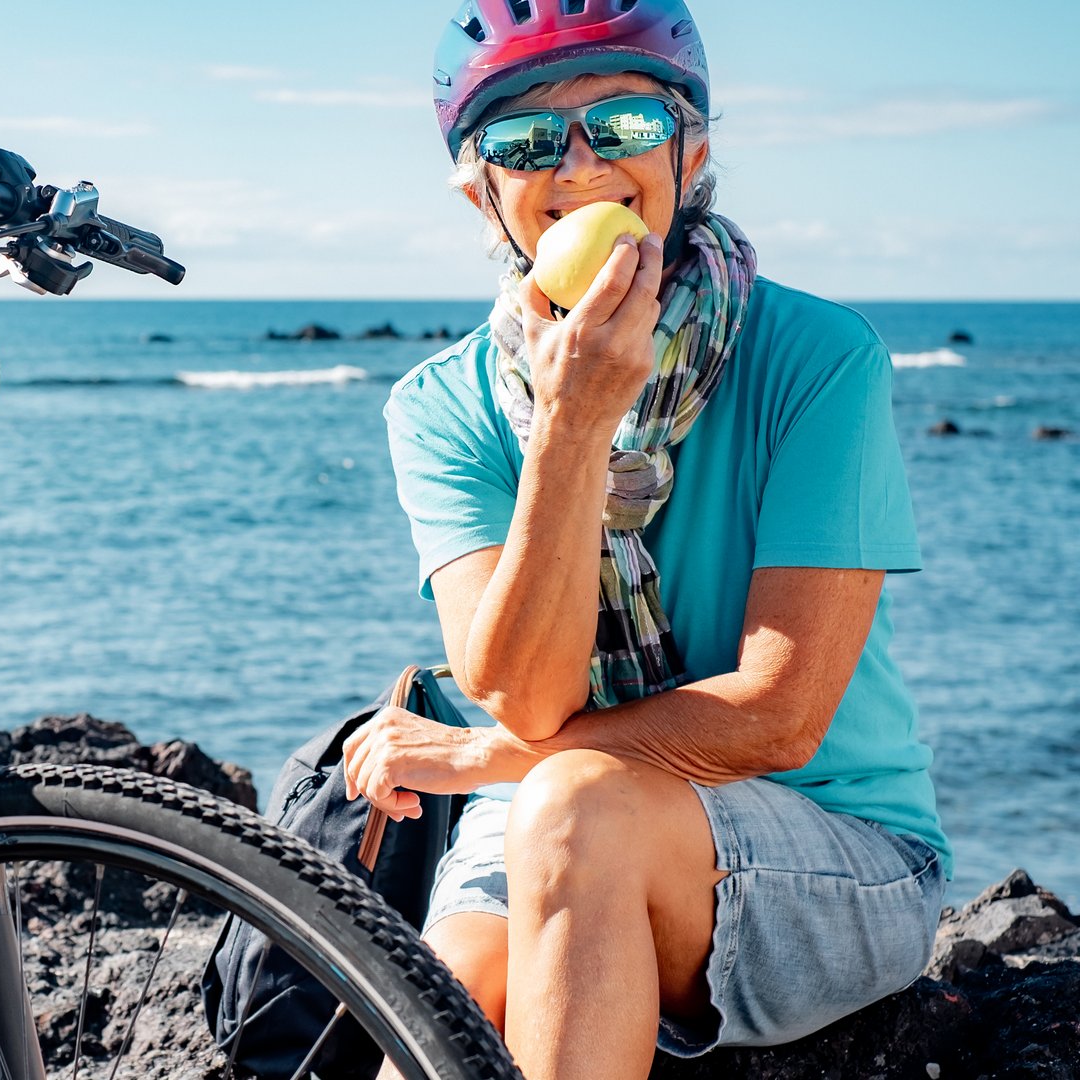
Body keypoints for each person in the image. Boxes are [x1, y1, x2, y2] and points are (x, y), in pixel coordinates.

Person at [340, 3, 951, 1077]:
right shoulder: (440, 408)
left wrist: (487, 759)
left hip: (835, 847)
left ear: (692, 149)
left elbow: (777, 715)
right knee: (441, 1017)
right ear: (480, 187)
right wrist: (573, 427)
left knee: (572, 807)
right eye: (527, 143)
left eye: (621, 124)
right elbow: (530, 691)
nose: (579, 167)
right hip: (551, 810)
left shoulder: (819, 358)